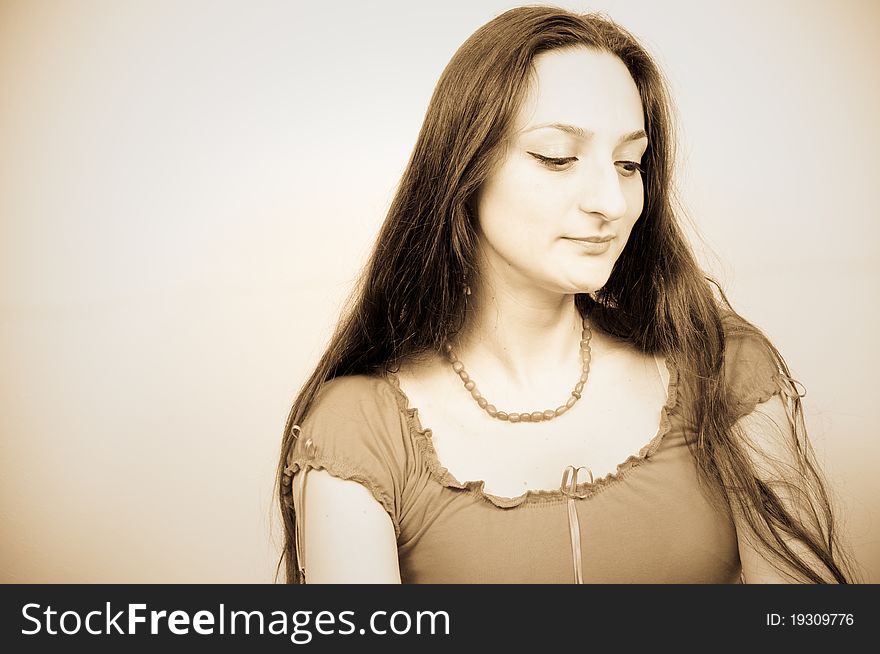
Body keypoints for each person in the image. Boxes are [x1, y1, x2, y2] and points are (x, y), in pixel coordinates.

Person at [276, 6, 858, 584]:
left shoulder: (720, 365)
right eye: (558, 158)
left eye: (630, 164)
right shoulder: (359, 431)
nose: (611, 201)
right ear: (464, 168)